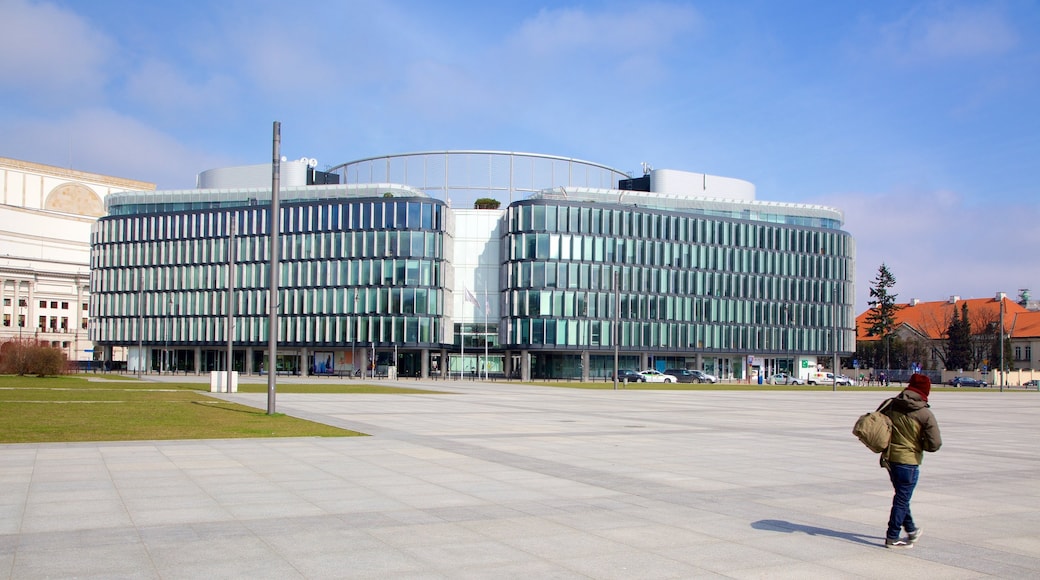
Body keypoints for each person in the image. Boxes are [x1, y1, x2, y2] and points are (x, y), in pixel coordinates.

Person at [880, 373, 942, 548]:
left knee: (901, 496)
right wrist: (921, 445)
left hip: (890, 458)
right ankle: (892, 536)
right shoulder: (924, 413)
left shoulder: (892, 404)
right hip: (909, 461)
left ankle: (911, 530)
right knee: (901, 498)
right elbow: (935, 443)